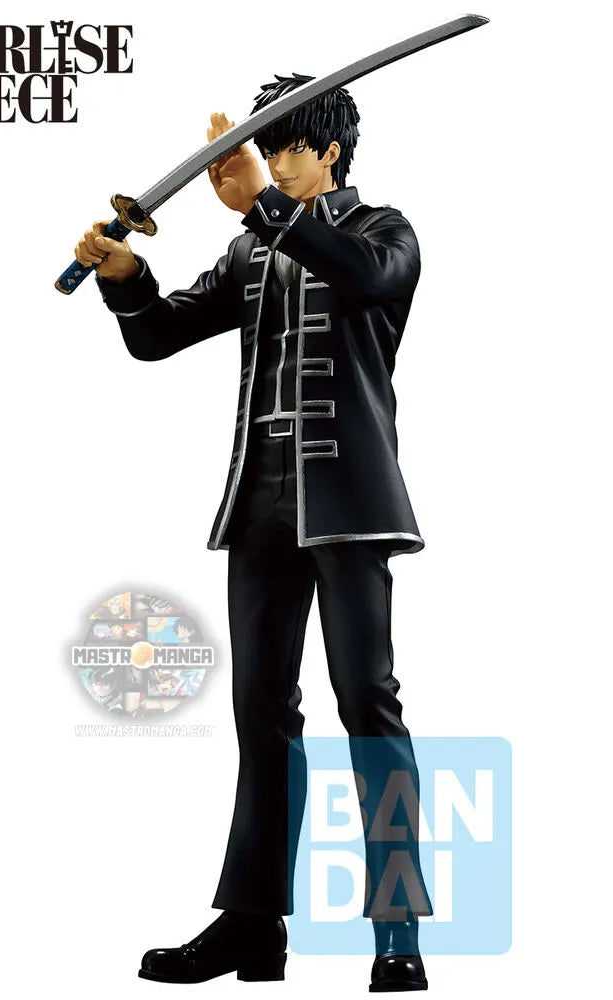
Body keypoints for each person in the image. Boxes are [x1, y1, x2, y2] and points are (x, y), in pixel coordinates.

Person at [75, 74, 432, 992]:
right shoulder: (250, 251)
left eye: (287, 149)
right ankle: (251, 924)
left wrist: (265, 207)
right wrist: (126, 281)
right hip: (260, 501)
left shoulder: (383, 232)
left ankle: (397, 929)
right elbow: (159, 336)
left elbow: (365, 279)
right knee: (260, 713)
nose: (274, 164)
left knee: (368, 704)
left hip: (349, 506)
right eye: (267, 151)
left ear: (330, 152)